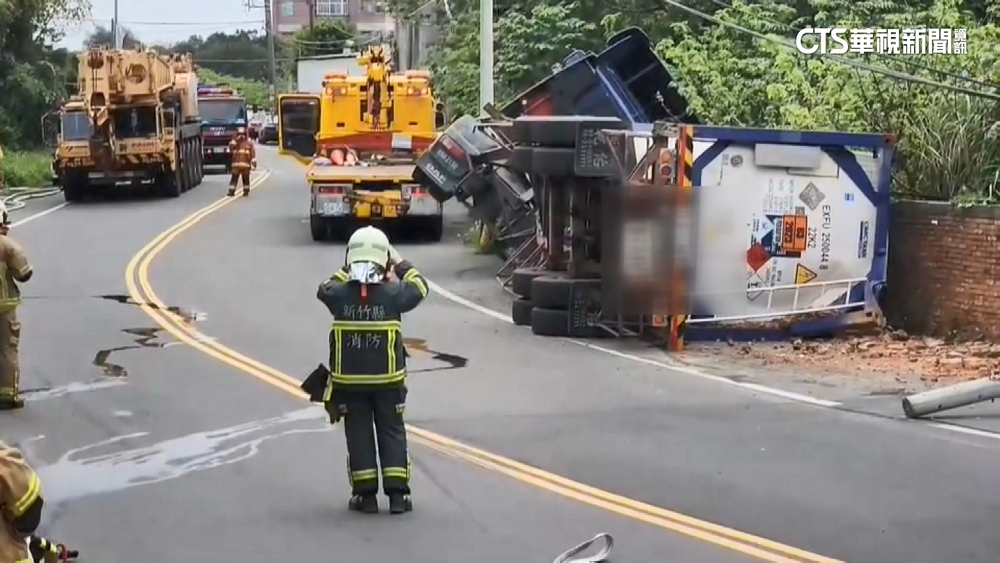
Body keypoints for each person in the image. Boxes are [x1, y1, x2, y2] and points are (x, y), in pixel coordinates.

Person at [316, 226, 429, 514]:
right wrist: (400, 265)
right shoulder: (394, 293)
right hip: (388, 381)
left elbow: (324, 288)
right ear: (384, 260)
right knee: (392, 431)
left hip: (349, 383)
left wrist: (348, 269)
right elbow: (420, 287)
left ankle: (365, 497)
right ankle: (398, 498)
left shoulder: (339, 294)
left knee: (358, 434)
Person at [0, 201, 31, 411]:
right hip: (4, 305)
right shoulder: (7, 245)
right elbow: (24, 273)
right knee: (6, 349)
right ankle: (8, 395)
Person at [227, 127, 257, 197]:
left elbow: (252, 153)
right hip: (236, 165)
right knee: (234, 179)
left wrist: (254, 161)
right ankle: (231, 191)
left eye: (242, 134)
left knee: (246, 179)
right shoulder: (234, 142)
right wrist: (235, 141)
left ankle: (246, 191)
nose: (241, 136)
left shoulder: (249, 143)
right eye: (239, 134)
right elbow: (230, 149)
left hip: (246, 166)